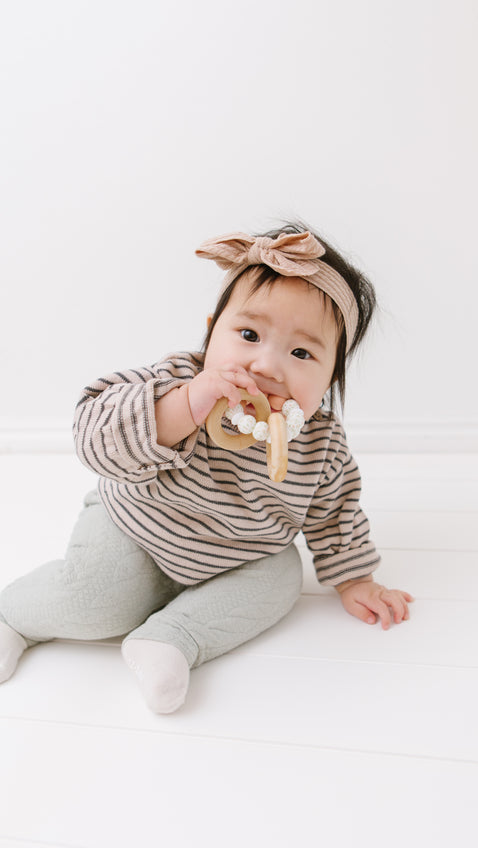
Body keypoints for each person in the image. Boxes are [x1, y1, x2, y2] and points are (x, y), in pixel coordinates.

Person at [0, 223, 413, 714]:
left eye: (301, 352)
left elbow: (335, 511)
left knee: (281, 577)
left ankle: (171, 640)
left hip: (241, 553)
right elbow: (95, 432)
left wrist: (355, 579)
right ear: (213, 328)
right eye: (249, 334)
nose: (266, 364)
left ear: (331, 376)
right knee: (96, 599)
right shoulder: (178, 382)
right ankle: (14, 618)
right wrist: (184, 408)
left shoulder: (320, 441)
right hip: (139, 530)